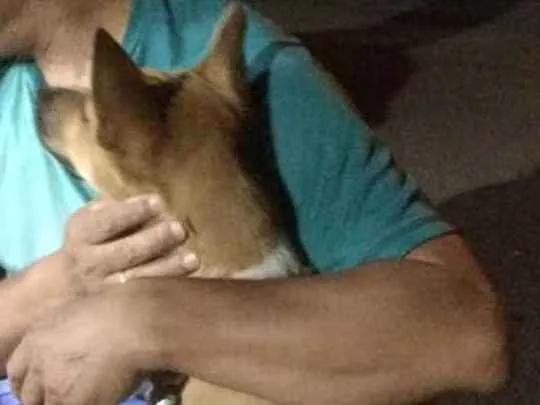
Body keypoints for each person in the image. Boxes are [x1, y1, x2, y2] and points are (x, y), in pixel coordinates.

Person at [0, 0, 507, 404]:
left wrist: (147, 317)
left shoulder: (266, 74)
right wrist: (64, 281)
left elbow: (470, 336)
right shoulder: (12, 83)